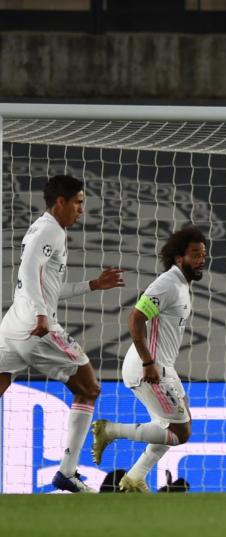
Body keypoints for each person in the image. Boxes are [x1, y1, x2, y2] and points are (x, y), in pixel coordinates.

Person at [0, 175, 124, 493]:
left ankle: (68, 473)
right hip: (34, 325)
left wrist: (92, 285)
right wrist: (42, 313)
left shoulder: (46, 229)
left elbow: (48, 288)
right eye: (78, 203)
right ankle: (68, 472)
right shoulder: (50, 229)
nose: (81, 210)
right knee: (90, 388)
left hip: (14, 324)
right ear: (61, 202)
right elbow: (27, 268)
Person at [90, 226, 207, 493]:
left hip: (163, 365)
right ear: (179, 258)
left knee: (175, 421)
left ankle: (134, 477)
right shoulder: (167, 283)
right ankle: (110, 430)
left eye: (203, 255)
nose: (201, 260)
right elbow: (135, 318)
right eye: (195, 255)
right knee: (181, 432)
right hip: (148, 366)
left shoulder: (182, 284)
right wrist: (147, 362)